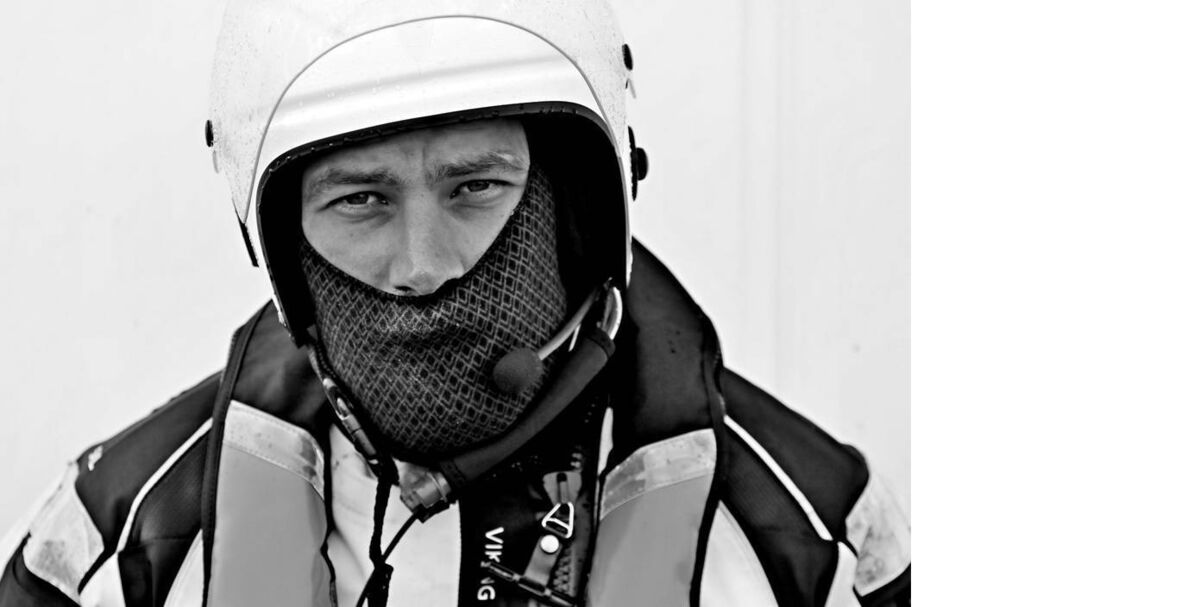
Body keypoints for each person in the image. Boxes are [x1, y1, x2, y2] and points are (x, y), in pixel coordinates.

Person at [0, 1, 910, 605]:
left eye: (475, 185)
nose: (421, 266)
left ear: (577, 208)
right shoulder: (124, 547)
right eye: (360, 200)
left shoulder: (809, 542)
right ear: (279, 240)